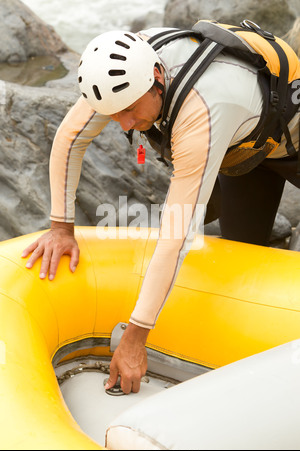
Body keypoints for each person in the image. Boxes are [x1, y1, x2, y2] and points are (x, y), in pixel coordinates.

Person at [22, 23, 300, 394]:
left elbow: (176, 237)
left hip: (287, 135)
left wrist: (136, 338)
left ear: (156, 78)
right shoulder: (118, 71)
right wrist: (60, 228)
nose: (123, 123)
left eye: (130, 110)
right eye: (114, 113)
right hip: (240, 152)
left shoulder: (205, 106)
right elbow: (69, 140)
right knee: (242, 257)